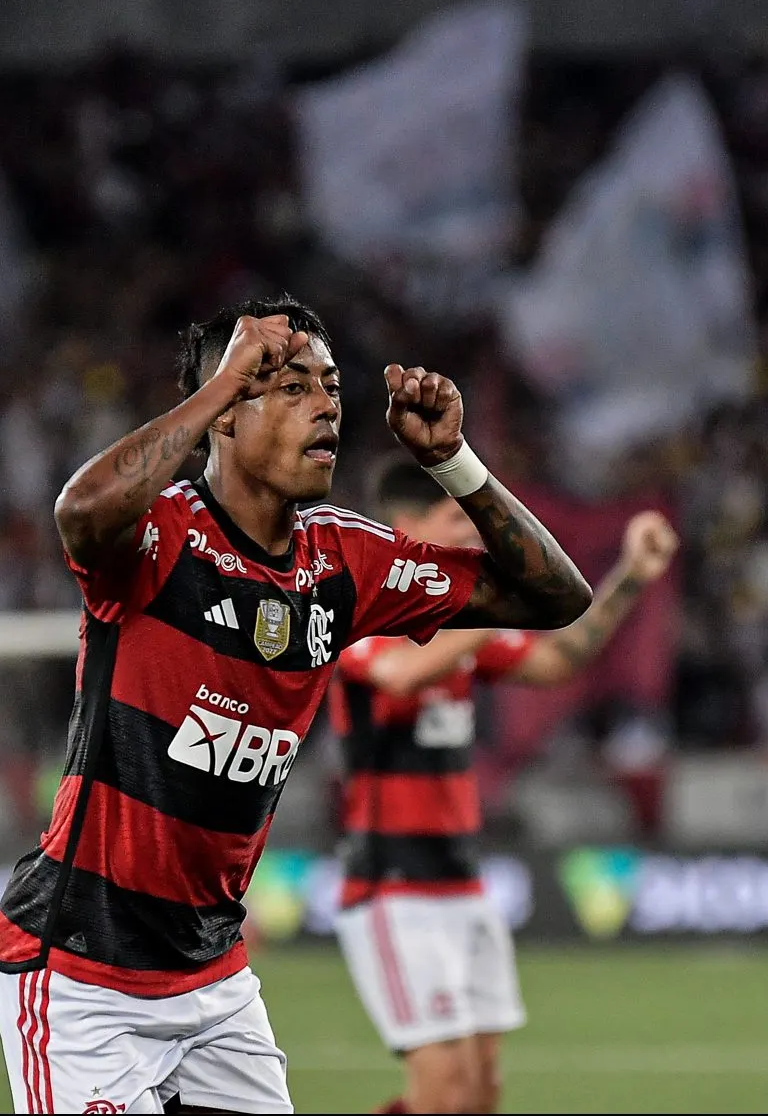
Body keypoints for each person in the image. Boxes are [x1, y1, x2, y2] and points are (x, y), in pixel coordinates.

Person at [0, 295, 593, 1114]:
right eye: (292, 384)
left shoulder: (342, 560)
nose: (327, 405)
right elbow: (78, 512)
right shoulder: (158, 537)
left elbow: (556, 597)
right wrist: (214, 391)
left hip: (210, 980)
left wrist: (455, 463)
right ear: (230, 412)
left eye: (333, 387)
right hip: (82, 971)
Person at [329, 463, 677, 1114]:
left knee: (481, 1093)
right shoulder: (362, 613)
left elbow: (560, 657)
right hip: (392, 886)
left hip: (462, 882)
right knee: (443, 1092)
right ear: (407, 528)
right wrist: (504, 598)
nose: (474, 534)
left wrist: (631, 575)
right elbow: (403, 675)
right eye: (458, 518)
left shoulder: (462, 629)